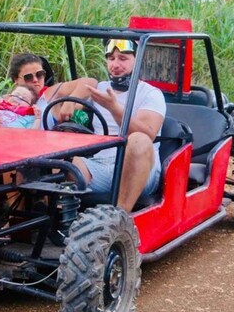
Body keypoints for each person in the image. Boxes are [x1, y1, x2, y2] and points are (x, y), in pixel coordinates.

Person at [69, 39, 166, 212]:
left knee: (138, 140)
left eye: (123, 58)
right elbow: (56, 94)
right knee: (57, 158)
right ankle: (44, 217)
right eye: (111, 58)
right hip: (98, 165)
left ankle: (119, 216)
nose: (115, 64)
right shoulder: (99, 89)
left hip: (139, 168)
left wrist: (114, 108)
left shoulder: (151, 94)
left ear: (138, 60)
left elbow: (147, 135)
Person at [6, 53, 97, 128]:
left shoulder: (51, 93)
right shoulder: (6, 99)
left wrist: (71, 102)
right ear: (16, 79)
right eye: (28, 77)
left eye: (40, 74)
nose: (35, 80)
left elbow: (90, 82)